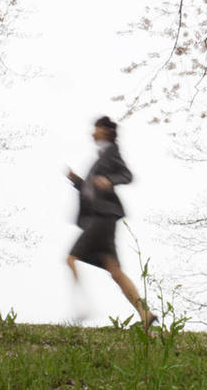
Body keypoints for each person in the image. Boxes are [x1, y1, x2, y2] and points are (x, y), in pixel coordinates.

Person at [65, 116, 157, 328]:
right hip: (104, 217)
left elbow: (126, 175)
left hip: (102, 217)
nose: (92, 133)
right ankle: (146, 314)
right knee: (114, 270)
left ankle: (82, 306)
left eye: (95, 128)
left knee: (70, 258)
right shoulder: (101, 157)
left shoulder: (112, 152)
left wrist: (109, 180)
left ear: (105, 131)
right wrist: (77, 181)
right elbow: (91, 190)